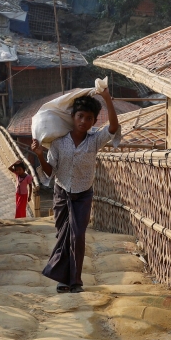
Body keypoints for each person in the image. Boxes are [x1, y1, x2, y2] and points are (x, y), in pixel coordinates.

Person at [31, 92, 120, 293]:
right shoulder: (58, 142)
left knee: (78, 235)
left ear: (94, 121)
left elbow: (113, 128)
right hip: (62, 193)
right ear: (73, 117)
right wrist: (39, 156)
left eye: (89, 118)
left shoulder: (95, 140)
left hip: (83, 194)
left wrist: (107, 99)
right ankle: (63, 279)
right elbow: (50, 171)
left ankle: (76, 281)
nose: (83, 121)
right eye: (80, 116)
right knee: (64, 236)